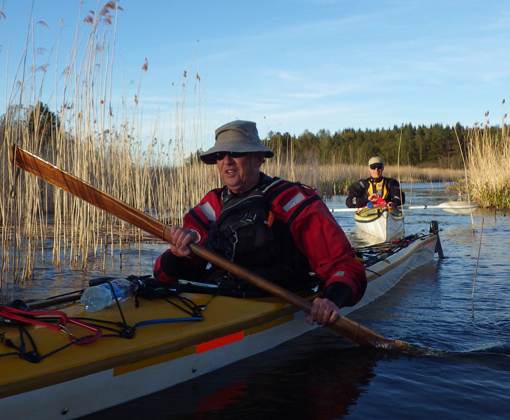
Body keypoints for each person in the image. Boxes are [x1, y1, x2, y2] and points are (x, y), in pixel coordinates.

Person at [153, 120, 366, 326]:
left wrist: (331, 300)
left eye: (236, 153)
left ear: (258, 158)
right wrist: (177, 254)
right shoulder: (209, 207)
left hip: (277, 297)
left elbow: (344, 266)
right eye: (220, 155)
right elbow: (165, 274)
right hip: (220, 298)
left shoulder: (292, 201)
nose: (226, 160)